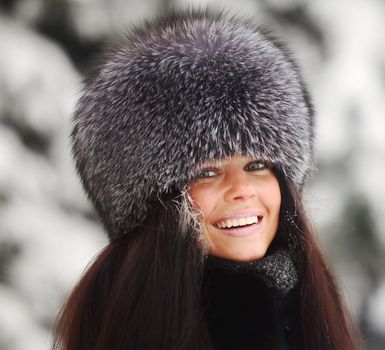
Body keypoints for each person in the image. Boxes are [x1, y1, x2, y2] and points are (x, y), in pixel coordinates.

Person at [52, 9, 361, 350]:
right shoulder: (136, 333)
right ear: (152, 202)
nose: (242, 190)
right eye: (207, 172)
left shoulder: (305, 311)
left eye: (257, 164)